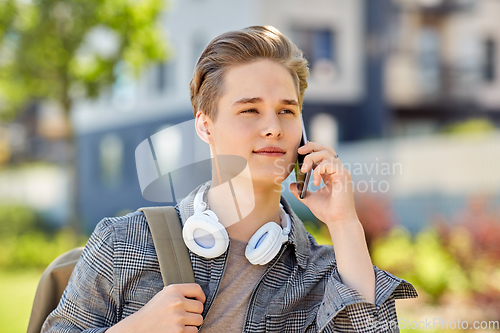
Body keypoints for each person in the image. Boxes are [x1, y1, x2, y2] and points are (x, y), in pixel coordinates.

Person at [42, 25, 417, 333]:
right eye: (250, 110)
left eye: (287, 111)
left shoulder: (325, 277)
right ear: (205, 126)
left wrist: (344, 223)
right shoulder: (122, 243)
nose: (273, 128)